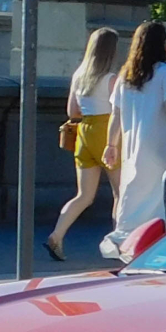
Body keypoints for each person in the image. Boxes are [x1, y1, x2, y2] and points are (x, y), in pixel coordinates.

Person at [101, 20, 166, 256]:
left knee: (133, 193)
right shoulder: (165, 72)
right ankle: (158, 241)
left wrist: (111, 145)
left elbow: (116, 114)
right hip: (160, 146)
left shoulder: (125, 76)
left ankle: (128, 240)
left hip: (132, 149)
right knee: (163, 195)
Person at [47, 26, 120, 261]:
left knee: (84, 195)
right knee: (120, 192)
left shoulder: (78, 75)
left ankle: (57, 235)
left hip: (84, 132)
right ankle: (118, 242)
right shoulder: (111, 78)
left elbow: (72, 111)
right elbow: (120, 110)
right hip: (106, 131)